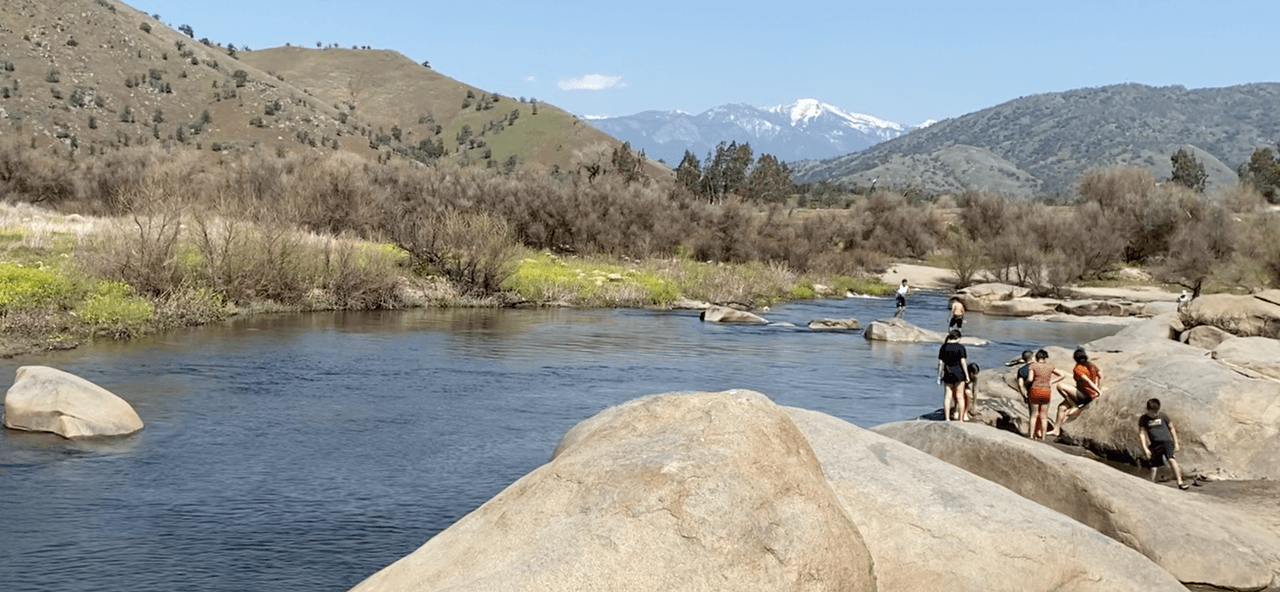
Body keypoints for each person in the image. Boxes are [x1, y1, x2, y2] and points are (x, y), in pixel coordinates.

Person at [1049, 348, 1102, 436]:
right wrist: (1098, 388)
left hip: (1084, 395)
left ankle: (1074, 406)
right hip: (1087, 394)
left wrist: (1098, 391)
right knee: (1061, 407)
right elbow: (1100, 375)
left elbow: (1087, 381)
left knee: (1060, 386)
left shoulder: (1078, 368)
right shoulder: (1092, 365)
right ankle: (1056, 430)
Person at [1138, 398, 1188, 489]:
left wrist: (1176, 443)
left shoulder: (1163, 416)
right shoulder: (1143, 419)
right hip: (1155, 444)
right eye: (1152, 412)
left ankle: (1180, 482)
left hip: (1167, 442)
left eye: (1156, 412)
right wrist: (1145, 448)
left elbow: (1171, 428)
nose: (1154, 414)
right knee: (1154, 465)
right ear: (1147, 410)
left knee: (1171, 459)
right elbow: (1142, 433)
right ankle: (1151, 483)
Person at [1026, 349, 1068, 440]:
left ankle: (1031, 435)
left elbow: (1030, 379)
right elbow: (1062, 375)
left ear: (1037, 357)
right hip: (1046, 391)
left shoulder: (1033, 366)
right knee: (1044, 416)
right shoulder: (1050, 366)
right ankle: (1044, 437)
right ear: (1045, 357)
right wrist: (1051, 382)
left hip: (1035, 390)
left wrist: (1027, 384)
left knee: (1034, 415)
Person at [936, 330, 970, 422]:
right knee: (960, 397)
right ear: (958, 338)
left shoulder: (944, 347)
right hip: (959, 374)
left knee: (947, 397)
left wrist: (939, 376)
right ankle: (961, 419)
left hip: (947, 373)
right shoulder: (961, 347)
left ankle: (947, 418)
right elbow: (963, 362)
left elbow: (940, 363)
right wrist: (967, 375)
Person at [1008, 350, 1035, 425]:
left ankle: (1033, 434)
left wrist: (1024, 394)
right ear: (1033, 357)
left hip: (1030, 392)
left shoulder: (1021, 370)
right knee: (1043, 414)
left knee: (1033, 414)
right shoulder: (1039, 367)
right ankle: (1041, 433)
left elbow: (1020, 385)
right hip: (1043, 390)